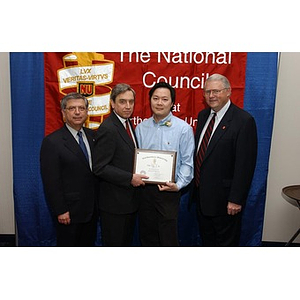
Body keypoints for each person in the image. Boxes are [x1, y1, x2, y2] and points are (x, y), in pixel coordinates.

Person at [193, 74, 258, 246]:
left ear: (228, 92)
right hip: (202, 198)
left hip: (226, 202)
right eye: (207, 92)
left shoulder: (243, 121)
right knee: (207, 242)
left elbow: (245, 165)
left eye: (216, 91)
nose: (211, 95)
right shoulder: (203, 115)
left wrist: (236, 199)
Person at [135, 82, 195, 246]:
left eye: (164, 99)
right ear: (150, 101)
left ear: (172, 103)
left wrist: (178, 185)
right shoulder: (141, 128)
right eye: (155, 98)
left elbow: (187, 162)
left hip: (169, 191)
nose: (159, 103)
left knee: (168, 238)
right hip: (144, 191)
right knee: (147, 236)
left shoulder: (183, 129)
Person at [93, 83, 147, 246]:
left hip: (128, 202)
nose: (128, 106)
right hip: (114, 205)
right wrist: (129, 178)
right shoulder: (108, 128)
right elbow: (99, 167)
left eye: (131, 102)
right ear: (112, 103)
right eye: (123, 102)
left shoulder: (127, 123)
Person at [40, 92, 97, 246]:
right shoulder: (52, 142)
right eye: (72, 108)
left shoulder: (93, 136)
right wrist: (61, 210)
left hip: (92, 210)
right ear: (63, 113)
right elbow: (51, 181)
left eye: (81, 108)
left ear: (87, 112)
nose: (77, 112)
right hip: (69, 213)